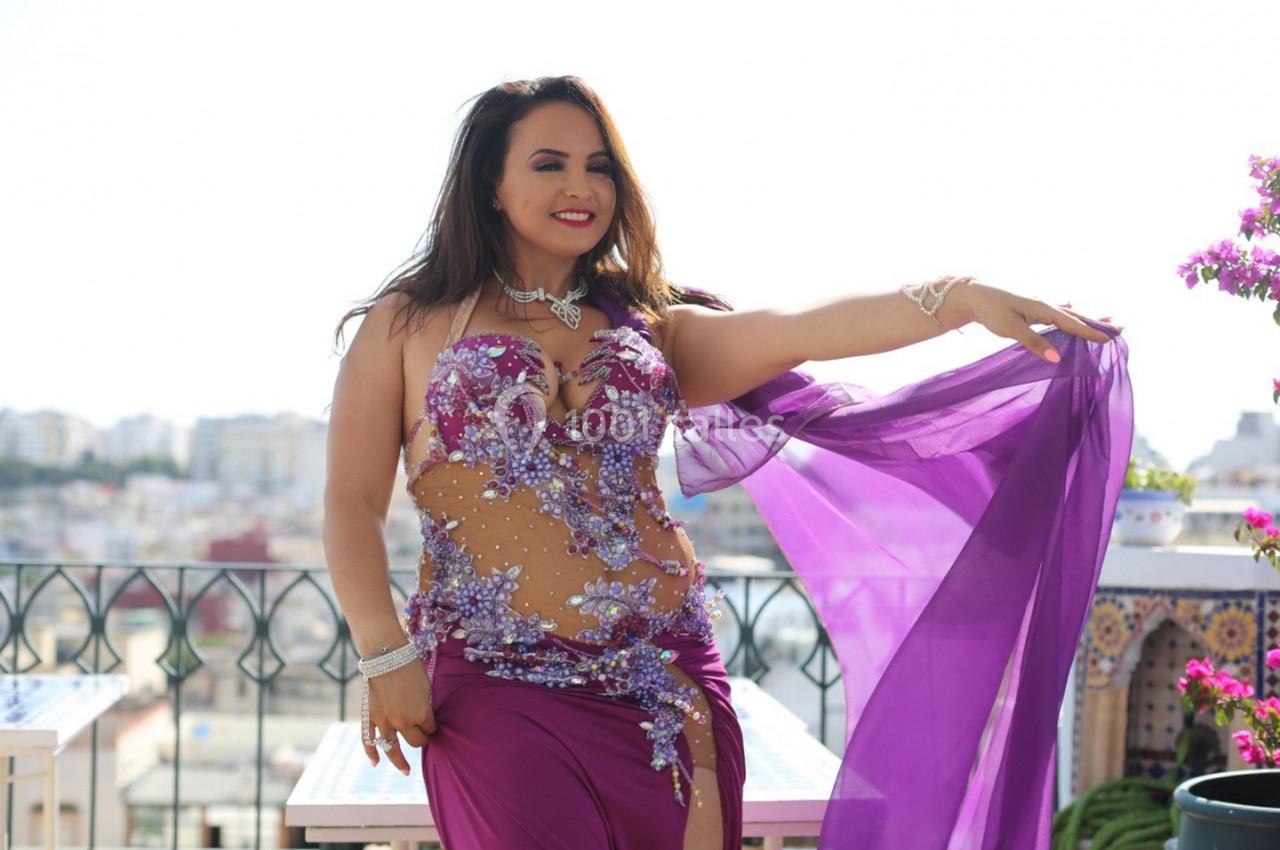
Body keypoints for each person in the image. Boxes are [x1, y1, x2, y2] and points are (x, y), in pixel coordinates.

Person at [323, 75, 1129, 850]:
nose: (583, 186)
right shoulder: (407, 323)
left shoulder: (651, 328)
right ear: (489, 184)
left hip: (664, 679)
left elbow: (804, 327)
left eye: (600, 167)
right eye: (550, 164)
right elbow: (353, 502)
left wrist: (959, 298)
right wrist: (384, 652)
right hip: (494, 682)